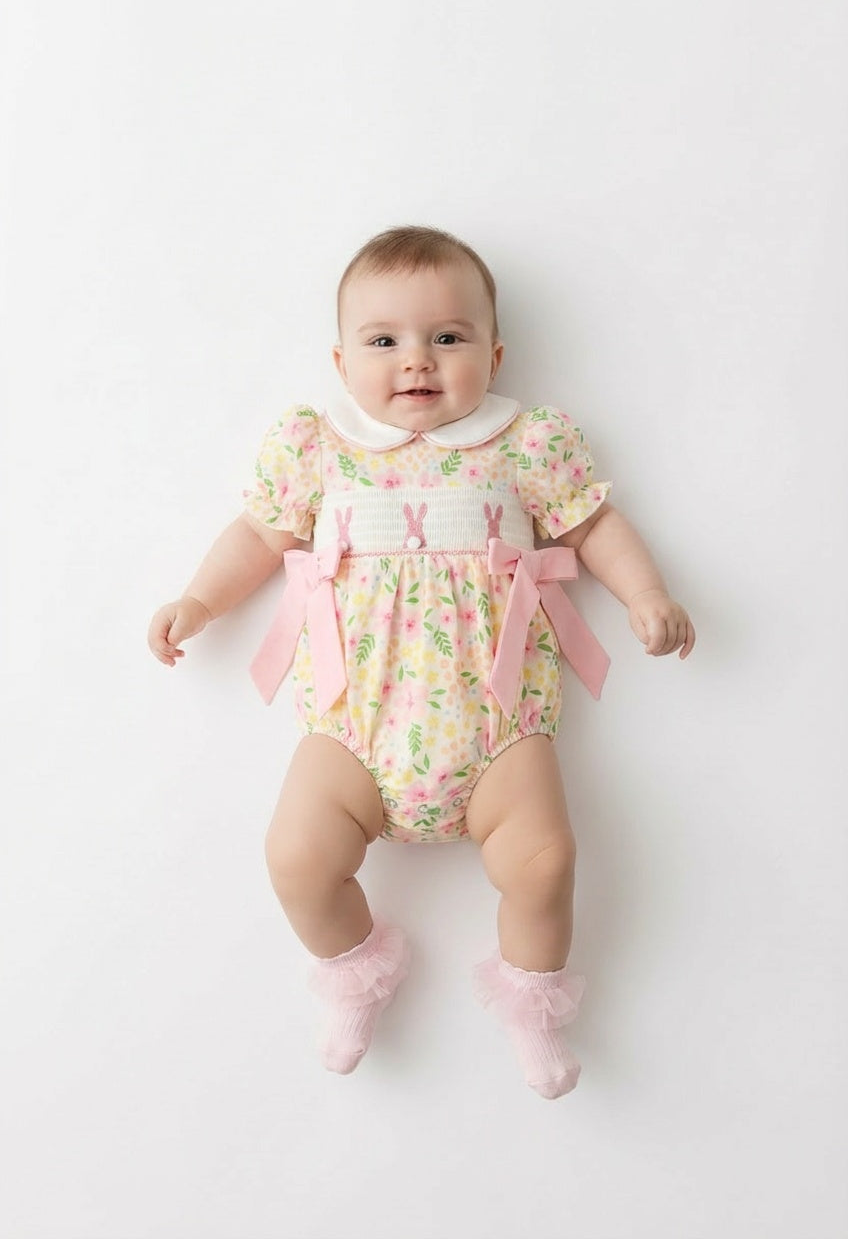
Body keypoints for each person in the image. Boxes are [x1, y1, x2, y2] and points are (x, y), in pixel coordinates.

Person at [148, 226, 695, 1099]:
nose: (417, 361)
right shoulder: (317, 448)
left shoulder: (525, 444)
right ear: (340, 359)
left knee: (546, 864)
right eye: (383, 341)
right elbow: (260, 534)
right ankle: (357, 968)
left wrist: (645, 595)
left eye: (448, 337)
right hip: (353, 722)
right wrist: (200, 601)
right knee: (295, 856)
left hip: (498, 722)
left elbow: (591, 527)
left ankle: (532, 1008)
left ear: (495, 352)